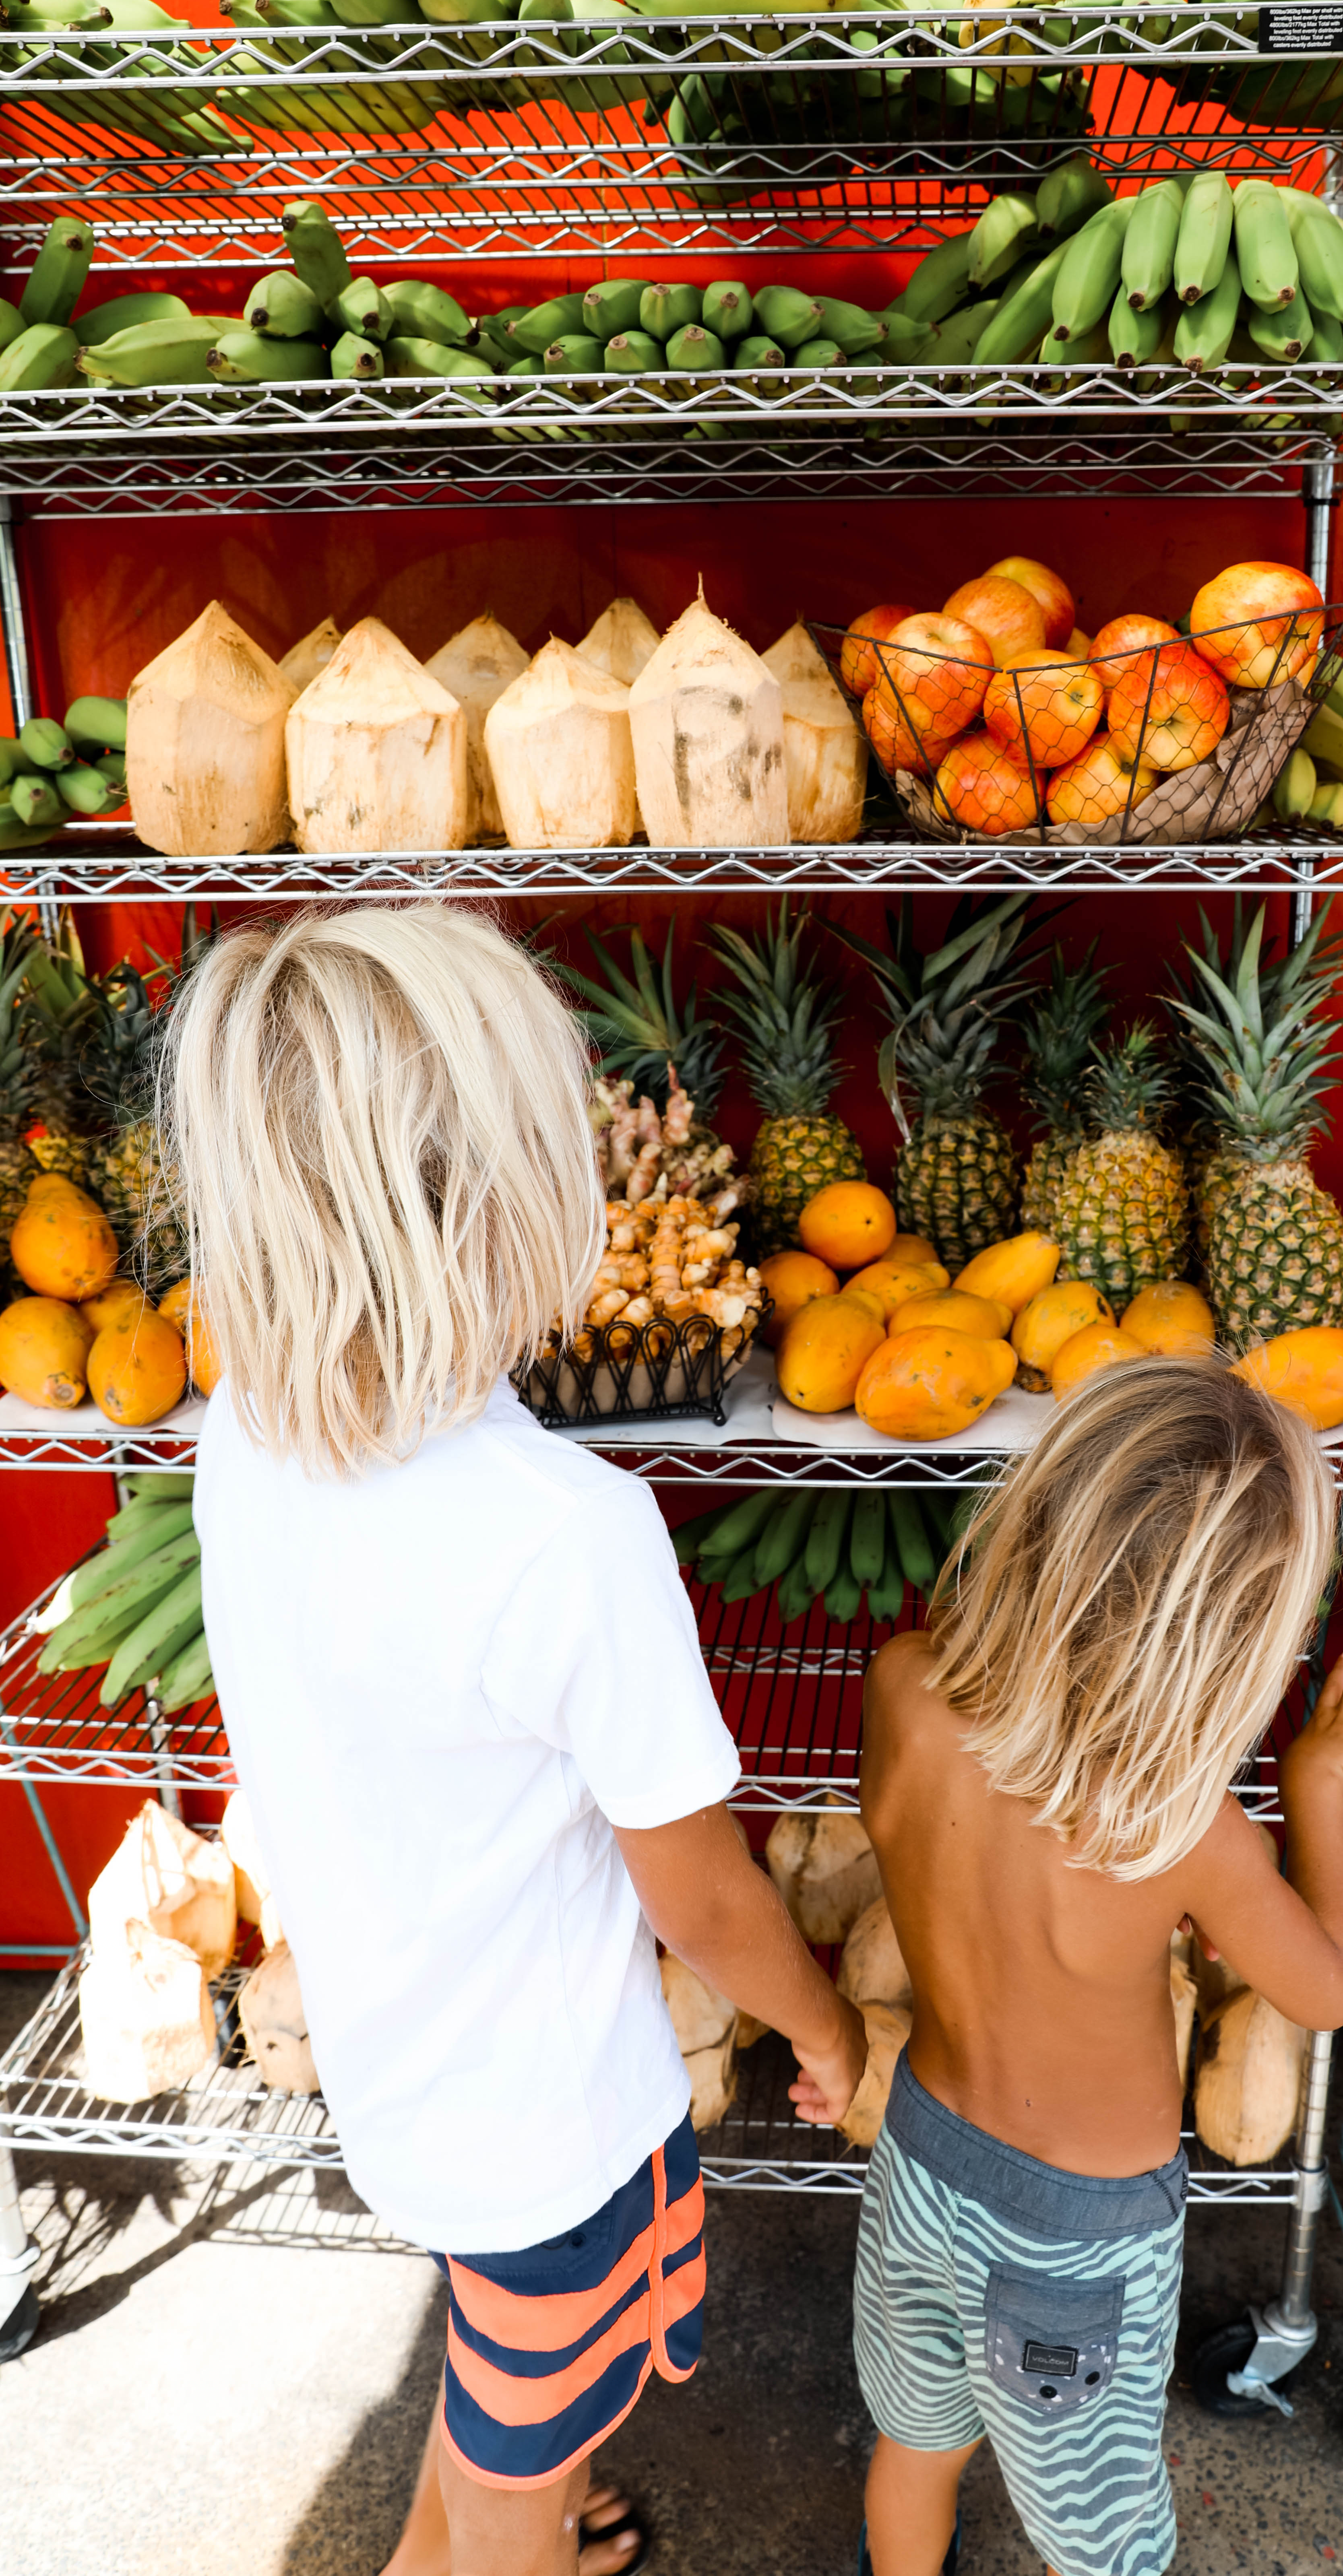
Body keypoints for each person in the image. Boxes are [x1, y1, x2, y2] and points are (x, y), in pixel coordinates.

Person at [163, 905, 866, 2576]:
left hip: (411, 2068)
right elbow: (699, 1898)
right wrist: (828, 2028)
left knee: (506, 2393)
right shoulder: (566, 1531)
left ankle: (450, 2537)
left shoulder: (248, 1436)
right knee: (523, 2486)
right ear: (493, 1207)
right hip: (553, 2122)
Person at [846, 1353, 1343, 2576]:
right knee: (1101, 2541)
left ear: (1034, 1516)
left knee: (914, 2444)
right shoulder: (1182, 1833)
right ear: (1232, 1646)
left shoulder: (904, 1691)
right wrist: (1315, 1788)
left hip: (920, 2161)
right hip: (1074, 2246)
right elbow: (1325, 1992)